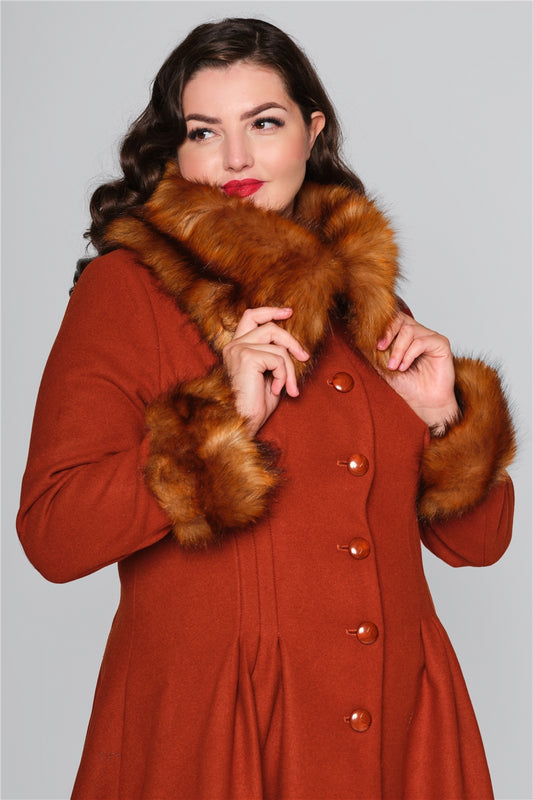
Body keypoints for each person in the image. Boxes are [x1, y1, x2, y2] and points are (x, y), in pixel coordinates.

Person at [17, 17, 516, 800]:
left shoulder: (366, 297)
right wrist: (223, 422)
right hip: (222, 730)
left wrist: (443, 421)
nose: (237, 157)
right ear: (175, 151)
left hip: (393, 721)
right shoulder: (128, 290)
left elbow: (479, 546)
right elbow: (51, 532)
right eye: (205, 132)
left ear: (312, 131)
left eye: (264, 123)